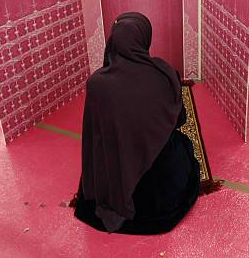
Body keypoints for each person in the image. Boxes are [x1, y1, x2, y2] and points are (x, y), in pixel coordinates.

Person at [71, 12, 200, 234]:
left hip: (114, 173)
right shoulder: (164, 73)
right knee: (183, 146)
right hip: (159, 191)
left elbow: (95, 137)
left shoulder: (96, 84)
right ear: (145, 39)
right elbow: (180, 120)